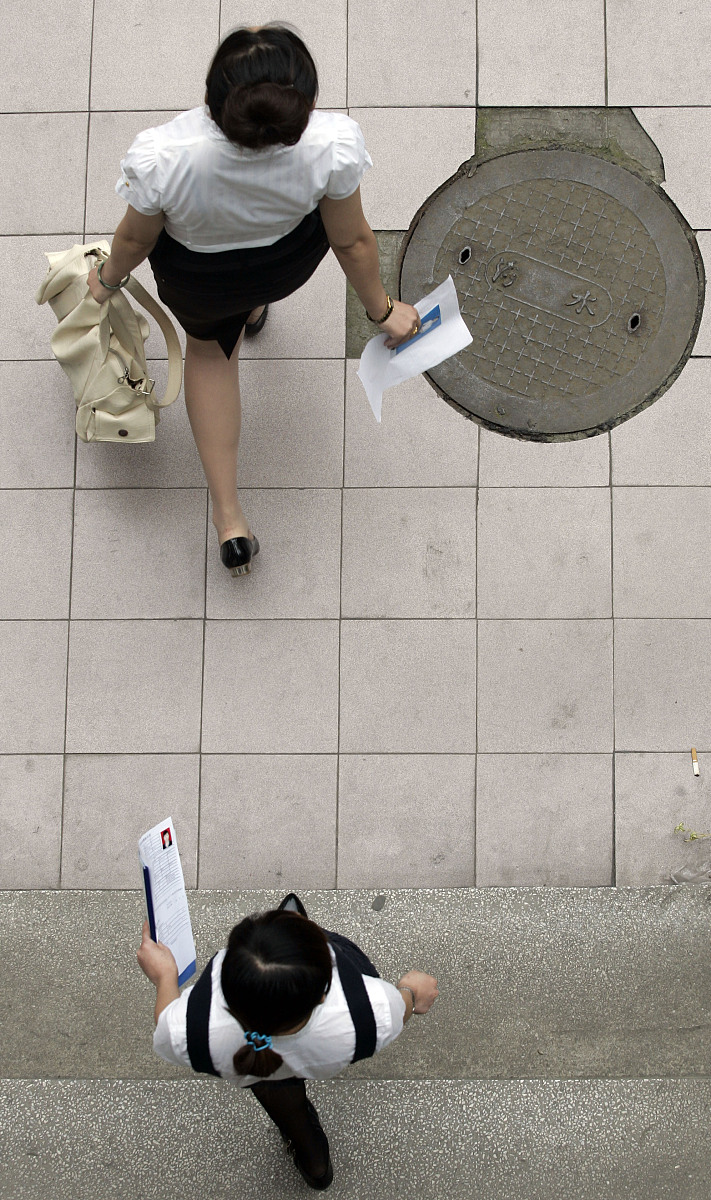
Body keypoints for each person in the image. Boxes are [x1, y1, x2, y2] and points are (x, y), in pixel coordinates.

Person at [87, 24, 421, 578]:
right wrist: (384, 311)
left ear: (213, 103)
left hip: (199, 278)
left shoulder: (165, 155)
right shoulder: (331, 145)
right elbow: (351, 241)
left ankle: (229, 518)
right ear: (307, 104)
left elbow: (135, 240)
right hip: (281, 262)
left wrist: (109, 278)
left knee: (211, 354)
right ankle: (255, 308)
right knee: (251, 297)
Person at [137, 895, 439, 1190]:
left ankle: (315, 1165)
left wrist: (165, 977)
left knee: (286, 1107)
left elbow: (167, 1022)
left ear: (227, 991)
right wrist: (411, 992)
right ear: (323, 993)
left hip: (257, 1067)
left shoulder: (193, 1031)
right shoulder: (372, 1011)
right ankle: (315, 1167)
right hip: (327, 1047)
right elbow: (400, 1009)